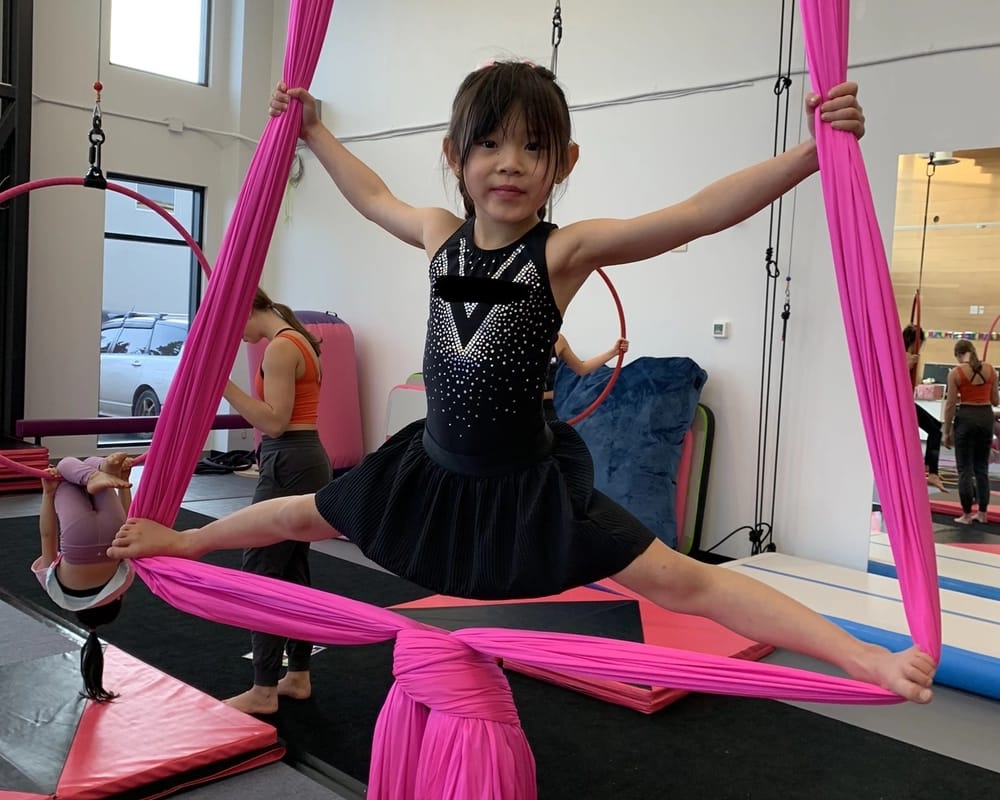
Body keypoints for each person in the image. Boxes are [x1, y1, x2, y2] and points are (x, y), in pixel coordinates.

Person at [109, 62, 935, 703]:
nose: (511, 165)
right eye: (491, 144)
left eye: (534, 148)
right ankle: (182, 538)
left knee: (685, 580)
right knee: (303, 512)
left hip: (528, 485)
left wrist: (811, 153)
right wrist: (314, 135)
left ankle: (863, 656)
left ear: (562, 163)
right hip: (433, 470)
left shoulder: (561, 254)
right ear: (456, 157)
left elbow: (695, 213)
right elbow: (369, 197)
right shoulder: (440, 237)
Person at [220, 287, 332, 714]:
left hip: (291, 458)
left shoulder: (282, 349)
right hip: (302, 459)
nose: (237, 335)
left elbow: (275, 420)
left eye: (236, 324)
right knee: (291, 570)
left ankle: (264, 690)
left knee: (261, 570)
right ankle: (297, 675)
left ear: (250, 309)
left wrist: (222, 385)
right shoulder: (297, 339)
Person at [34, 452, 134, 701]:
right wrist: (48, 494)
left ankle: (100, 469)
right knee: (66, 466)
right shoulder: (58, 591)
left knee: (91, 463)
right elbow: (48, 537)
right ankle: (95, 473)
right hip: (76, 534)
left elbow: (131, 528)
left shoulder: (120, 582)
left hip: (114, 529)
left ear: (117, 599)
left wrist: (122, 481)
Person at [942, 339, 998, 525]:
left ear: (958, 355)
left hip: (966, 417)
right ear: (972, 351)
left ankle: (966, 515)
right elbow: (995, 401)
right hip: (985, 416)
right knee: (981, 468)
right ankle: (982, 514)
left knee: (965, 469)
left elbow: (950, 405)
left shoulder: (955, 373)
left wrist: (946, 431)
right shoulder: (990, 370)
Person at [543, 333, 628, 419]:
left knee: (565, 432)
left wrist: (614, 352)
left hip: (546, 409)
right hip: (530, 407)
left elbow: (582, 369)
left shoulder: (558, 340)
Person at [902, 325, 945, 491]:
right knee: (935, 430)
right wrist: (909, 364)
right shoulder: (905, 356)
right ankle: (931, 471)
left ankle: (929, 466)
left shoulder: (907, 355)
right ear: (915, 342)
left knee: (936, 428)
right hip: (904, 403)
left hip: (907, 401)